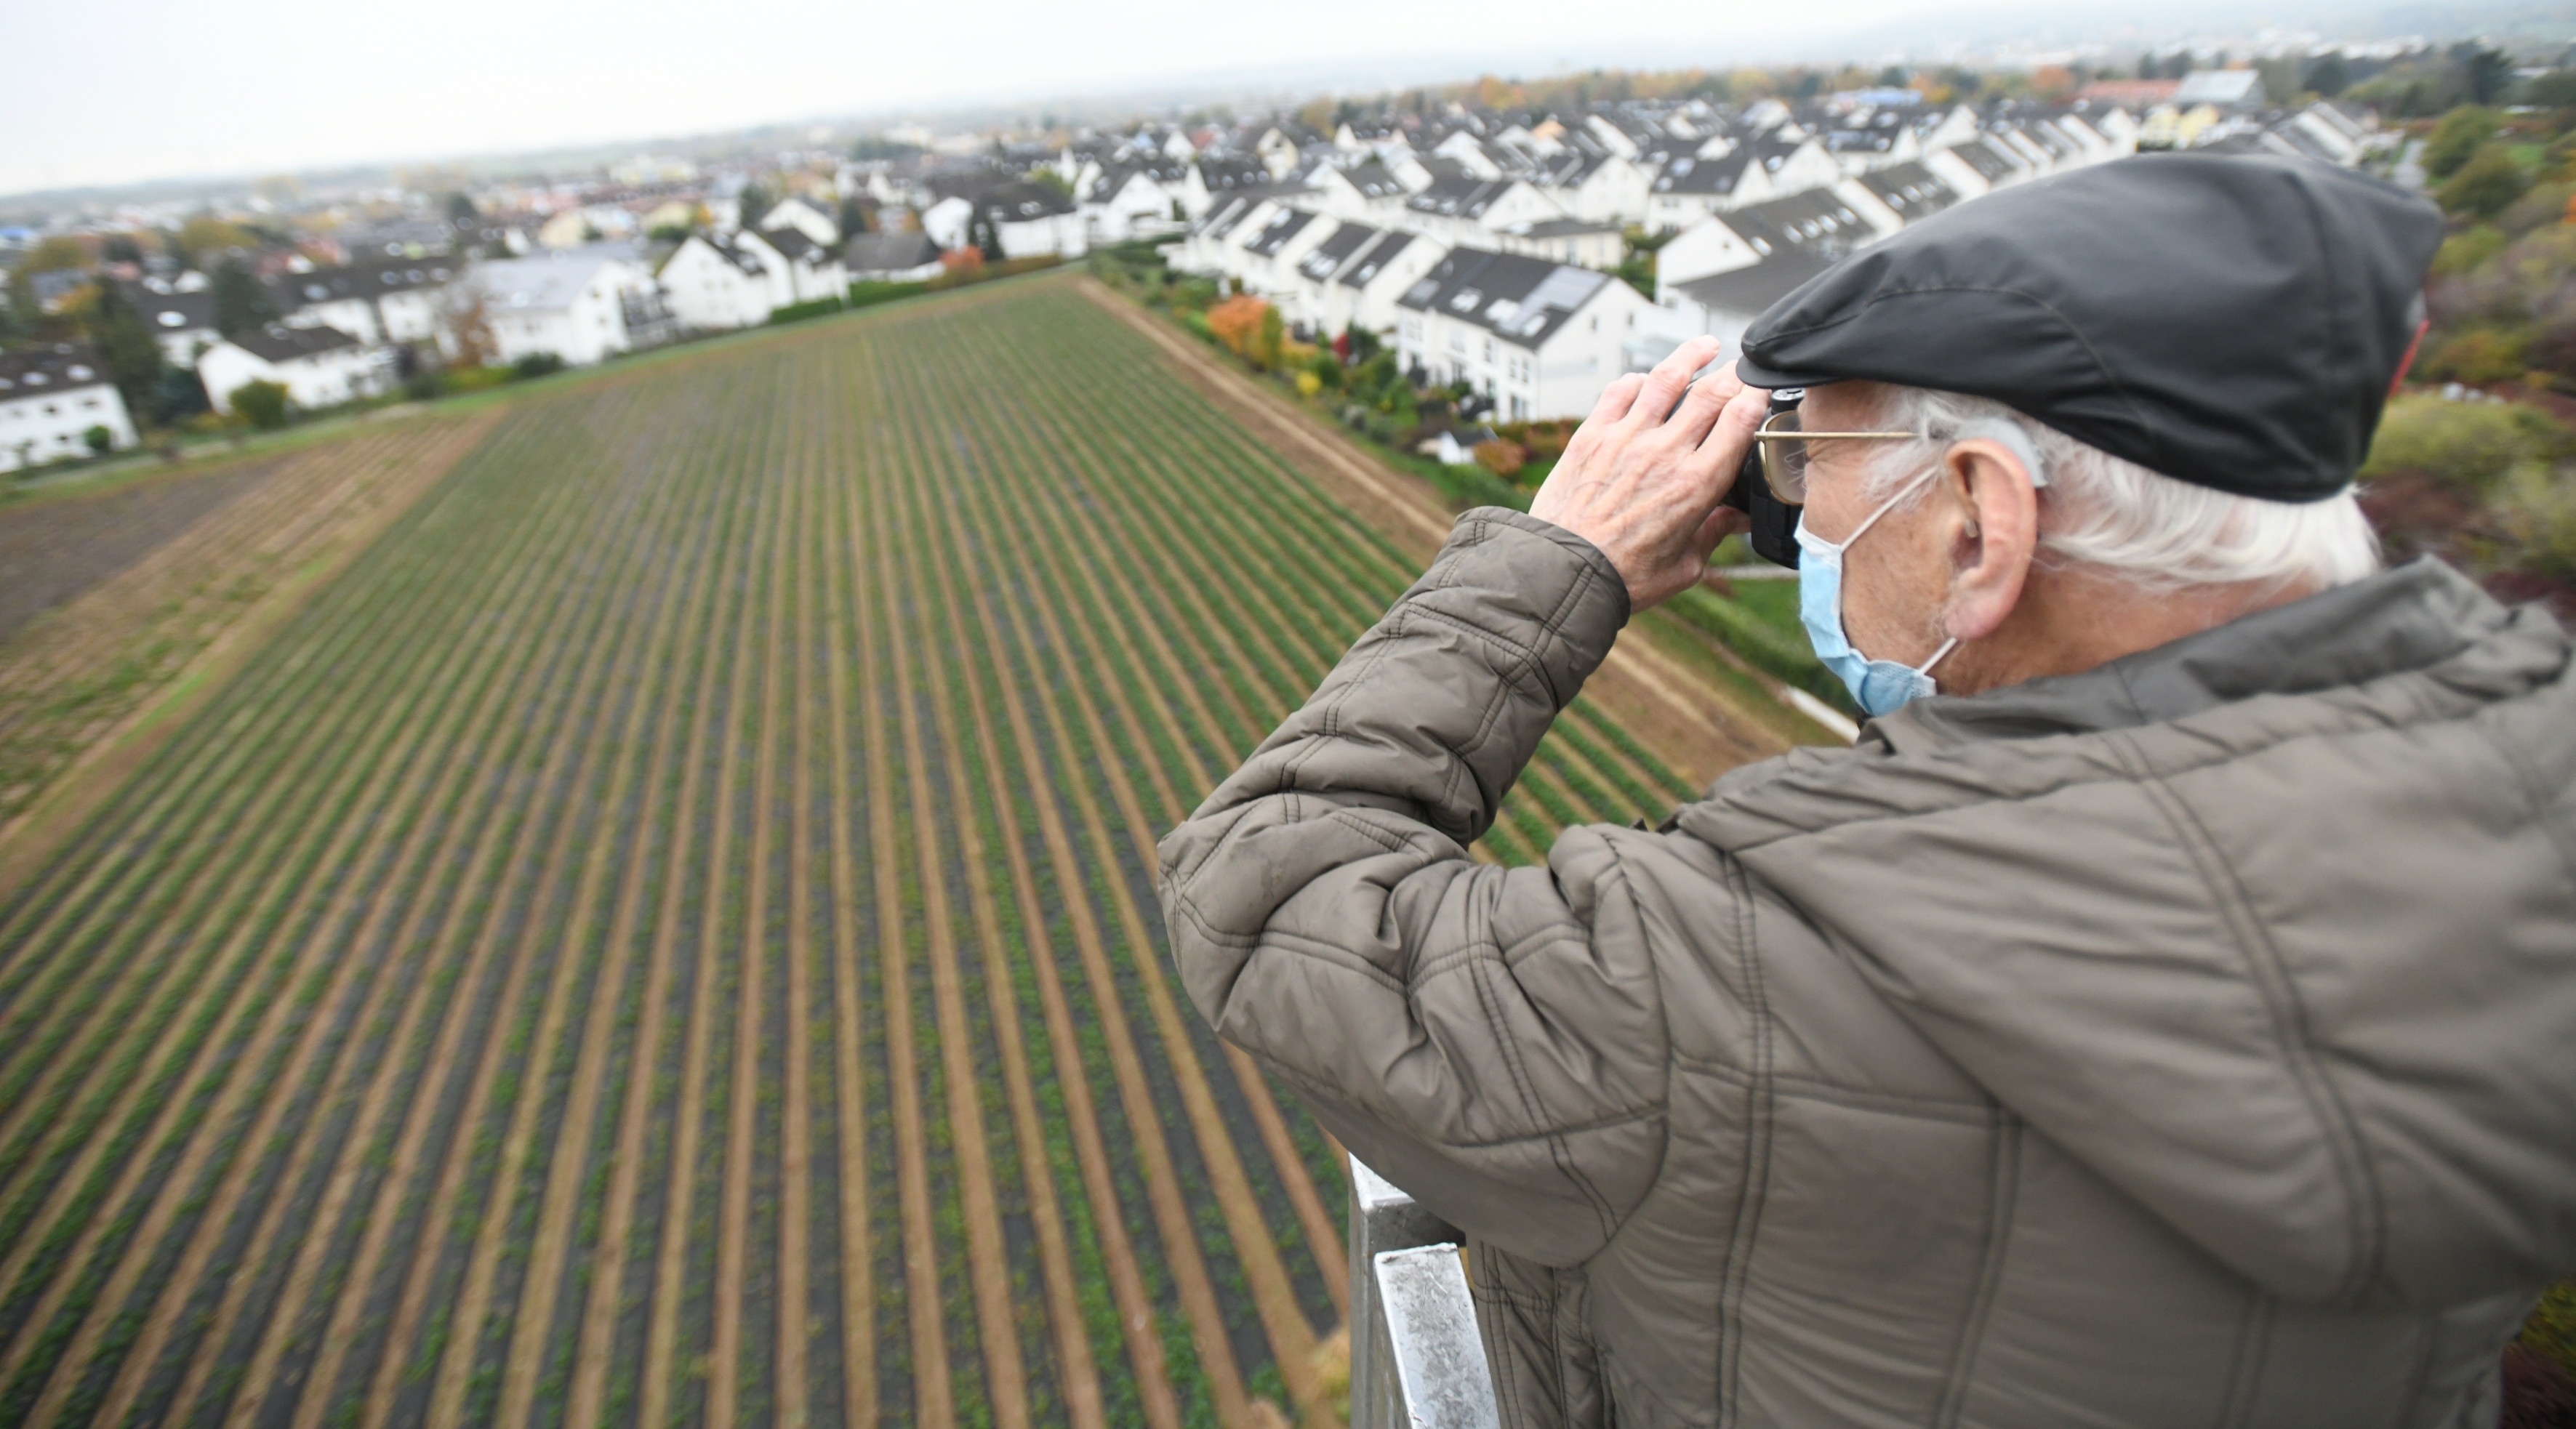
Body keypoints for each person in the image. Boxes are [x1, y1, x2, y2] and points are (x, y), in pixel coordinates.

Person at [1158, 153, 2576, 1426]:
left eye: (1805, 464)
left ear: (1978, 525)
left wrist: (1560, 559)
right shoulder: (2522, 803)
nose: (1799, 523)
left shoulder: (1737, 973)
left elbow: (1258, 892)